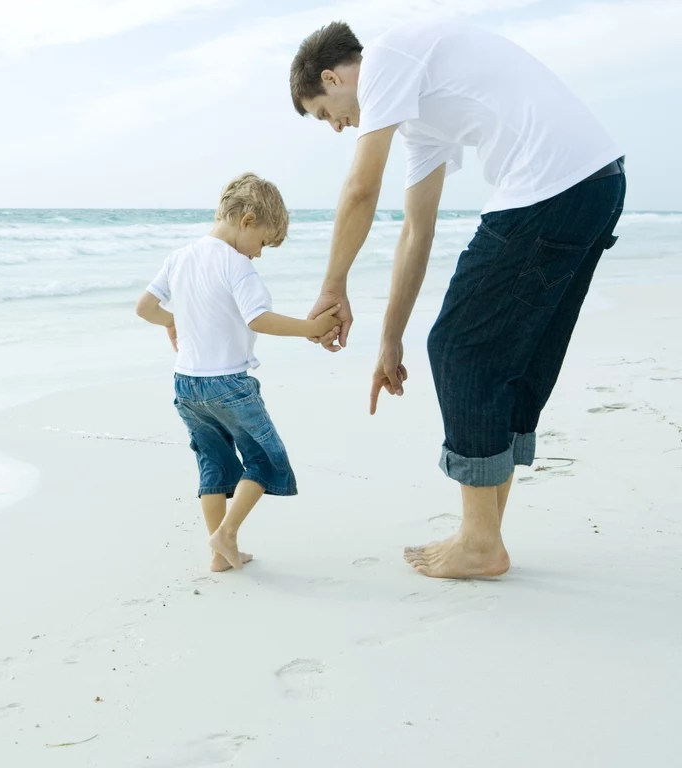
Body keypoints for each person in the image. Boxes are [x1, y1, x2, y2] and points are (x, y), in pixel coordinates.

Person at [290, 20, 626, 578]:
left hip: (552, 185)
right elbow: (415, 232)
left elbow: (359, 189)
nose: (336, 127)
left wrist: (332, 287)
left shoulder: (387, 59)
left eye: (325, 112)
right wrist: (390, 339)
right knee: (511, 359)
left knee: (459, 348)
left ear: (334, 76)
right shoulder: (422, 117)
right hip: (597, 184)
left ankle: (478, 544)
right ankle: (485, 533)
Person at [135, 173, 341, 572]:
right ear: (247, 220)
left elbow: (144, 308)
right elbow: (259, 318)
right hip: (228, 383)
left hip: (186, 383)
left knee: (213, 461)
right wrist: (311, 328)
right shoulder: (238, 266)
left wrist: (172, 322)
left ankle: (219, 555)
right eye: (263, 242)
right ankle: (226, 534)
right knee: (265, 459)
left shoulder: (179, 257)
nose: (259, 253)